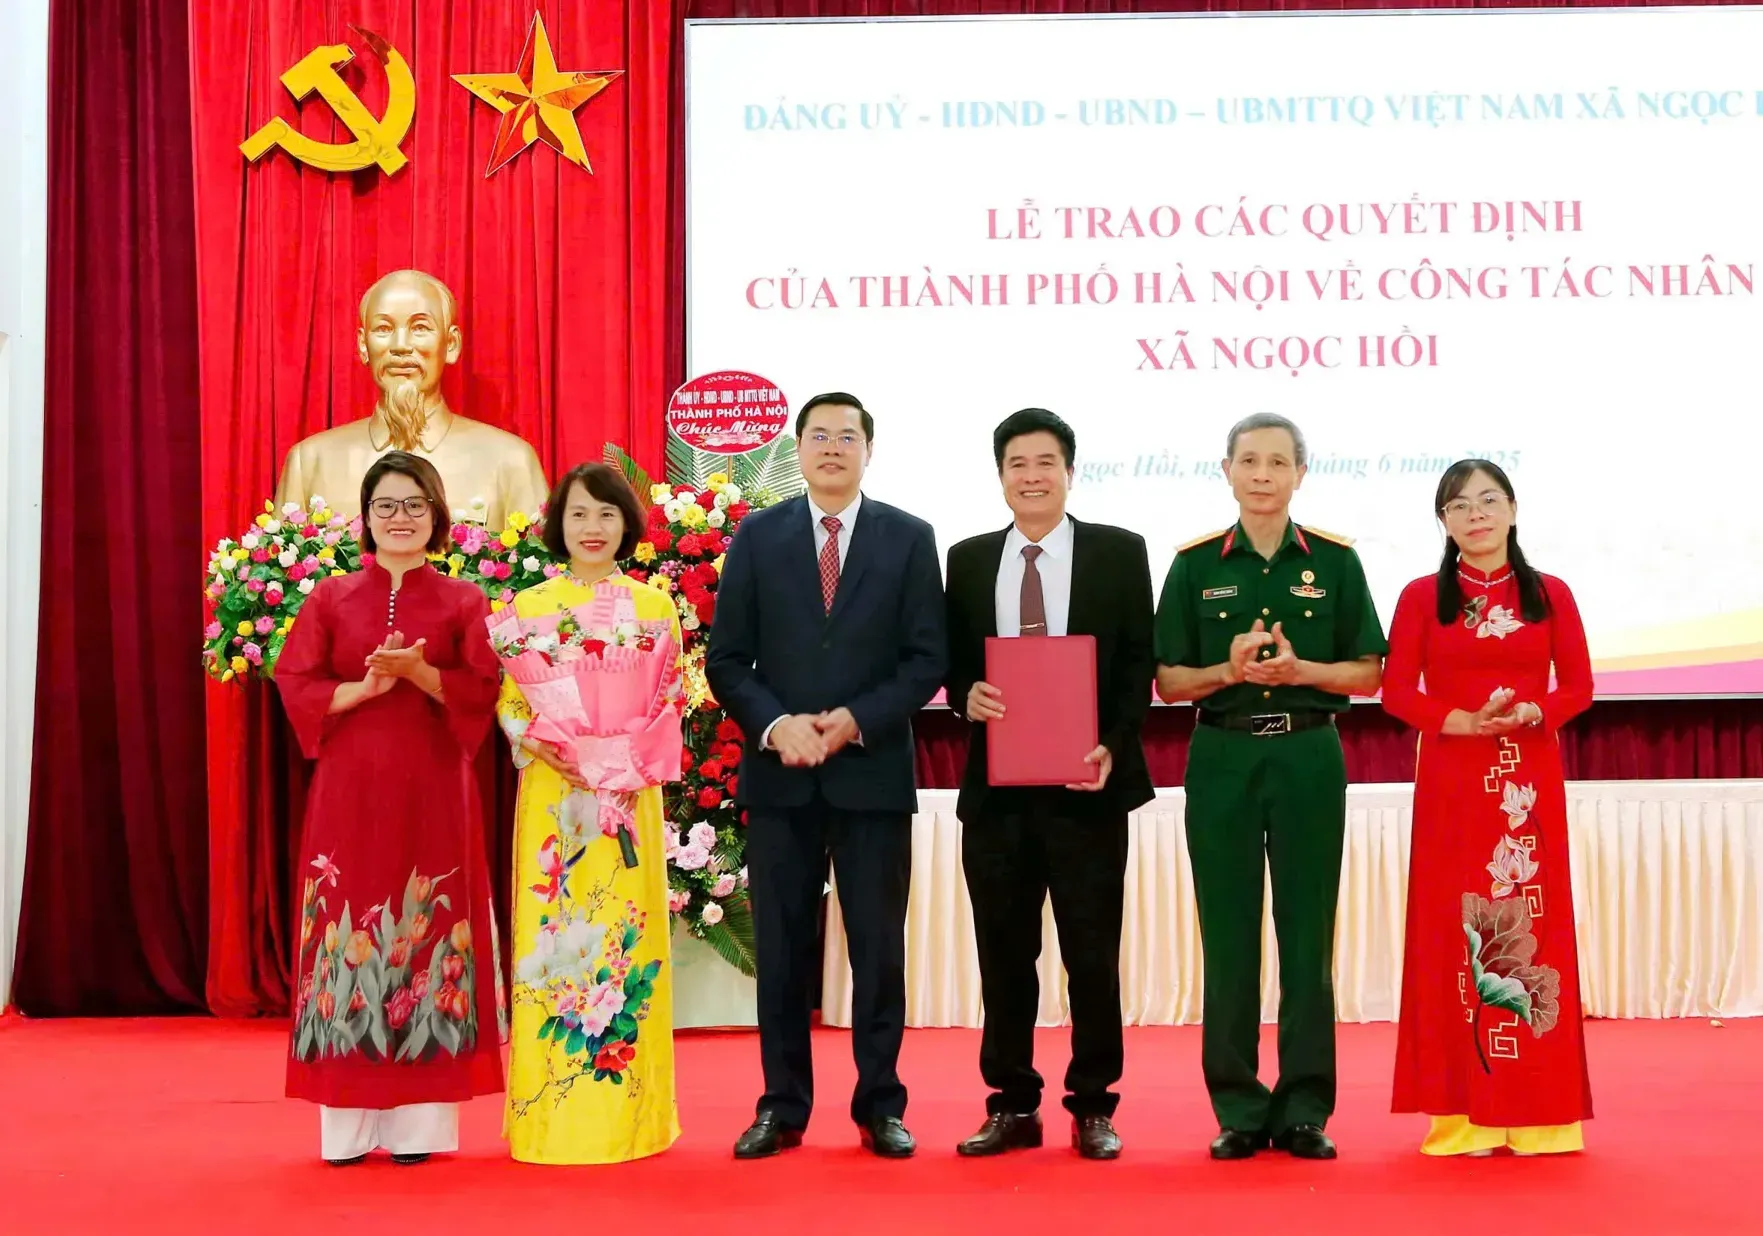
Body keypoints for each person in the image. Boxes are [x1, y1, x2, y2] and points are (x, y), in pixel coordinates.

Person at [706, 392, 947, 1160]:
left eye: (847, 436)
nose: (832, 447)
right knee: (780, 952)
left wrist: (854, 719)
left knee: (877, 951)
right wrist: (776, 725)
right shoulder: (757, 535)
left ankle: (880, 1105)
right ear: (798, 449)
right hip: (781, 778)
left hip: (870, 774)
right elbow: (726, 659)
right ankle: (781, 1107)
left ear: (868, 450)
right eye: (819, 435)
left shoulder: (908, 538)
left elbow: (926, 658)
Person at [1153, 412, 1386, 1161]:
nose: (1262, 474)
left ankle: (1305, 1109)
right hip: (1221, 756)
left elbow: (1368, 671)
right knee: (1227, 941)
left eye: (1278, 462)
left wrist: (1300, 671)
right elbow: (1168, 682)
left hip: (1307, 753)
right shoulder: (1194, 566)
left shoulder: (1335, 562)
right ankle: (1239, 1109)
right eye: (1248, 460)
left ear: (1299, 474)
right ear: (1225, 470)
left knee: (1307, 938)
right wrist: (1226, 671)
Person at [274, 451, 504, 1165]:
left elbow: (483, 689)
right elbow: (295, 680)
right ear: (366, 518)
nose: (399, 518)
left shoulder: (464, 601)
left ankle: (418, 1129)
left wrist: (421, 673)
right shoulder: (330, 598)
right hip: (348, 786)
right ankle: (346, 1122)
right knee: (345, 916)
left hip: (435, 786)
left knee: (428, 921)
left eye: (413, 505)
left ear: (436, 515)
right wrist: (366, 690)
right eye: (385, 506)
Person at [943, 408, 1154, 1160]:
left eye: (1045, 463)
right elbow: (953, 660)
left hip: (1086, 789)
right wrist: (963, 694)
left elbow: (1139, 661)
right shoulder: (968, 559)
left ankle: (1093, 1105)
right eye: (1017, 464)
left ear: (1069, 471)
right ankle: (1011, 1103)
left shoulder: (1117, 551)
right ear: (1000, 475)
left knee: (1091, 955)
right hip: (997, 796)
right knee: (1003, 956)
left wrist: (1113, 745)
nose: (1031, 477)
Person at [1382, 460, 1594, 1156]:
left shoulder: (1550, 593)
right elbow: (1395, 692)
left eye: (1488, 500)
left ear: (1512, 509)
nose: (1475, 515)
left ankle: (1539, 1115)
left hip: (1525, 781)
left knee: (1533, 930)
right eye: (1459, 506)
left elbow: (1579, 687)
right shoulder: (1422, 597)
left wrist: (1533, 710)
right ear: (1442, 521)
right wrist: (1459, 722)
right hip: (1452, 775)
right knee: (1453, 932)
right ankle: (1462, 1115)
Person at [493, 462, 685, 1164]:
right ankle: (552, 1118)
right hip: (557, 796)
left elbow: (670, 699)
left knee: (626, 936)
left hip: (627, 797)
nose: (593, 528)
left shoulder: (655, 608)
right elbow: (513, 702)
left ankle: (631, 1120)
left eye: (607, 514)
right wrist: (553, 747)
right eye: (578, 514)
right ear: (558, 524)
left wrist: (618, 761)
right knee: (554, 938)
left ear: (626, 524)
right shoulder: (527, 608)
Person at [274, 269, 548, 529]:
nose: (401, 345)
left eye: (420, 328)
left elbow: (543, 562)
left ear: (451, 344)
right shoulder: (309, 462)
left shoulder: (510, 462)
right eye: (383, 328)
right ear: (363, 345)